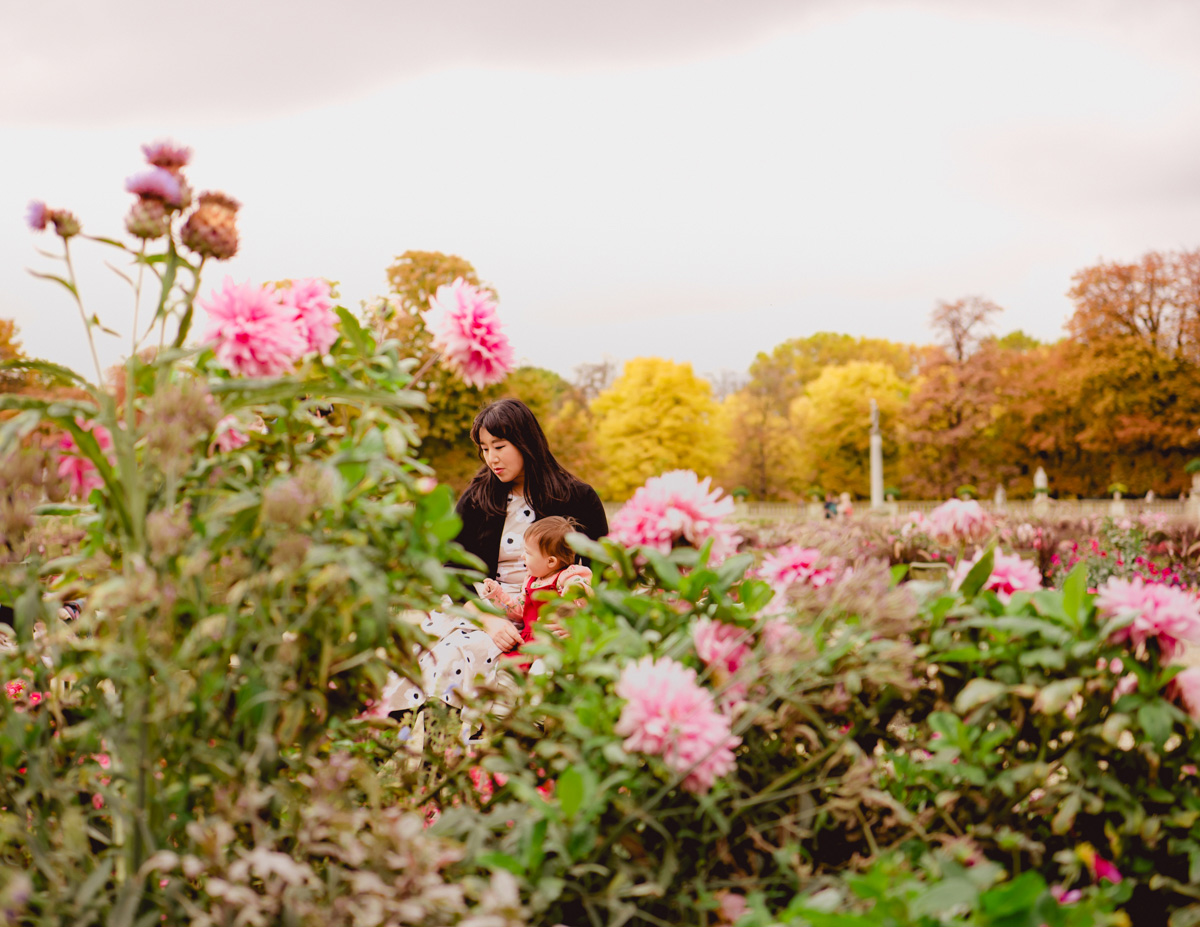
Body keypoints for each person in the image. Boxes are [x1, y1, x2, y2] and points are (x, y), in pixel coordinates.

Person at [373, 398, 607, 715]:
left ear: (526, 442)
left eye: (499, 446)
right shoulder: (478, 496)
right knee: (441, 657)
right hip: (484, 607)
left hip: (546, 614)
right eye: (484, 448)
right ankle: (435, 754)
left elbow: (604, 574)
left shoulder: (577, 497)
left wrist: (578, 617)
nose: (491, 458)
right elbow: (453, 572)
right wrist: (489, 619)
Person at [481, 516, 592, 670]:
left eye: (528, 552)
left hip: (555, 638)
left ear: (551, 561)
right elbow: (519, 611)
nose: (522, 556)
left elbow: (582, 588)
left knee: (543, 667)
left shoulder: (565, 576)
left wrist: (576, 590)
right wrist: (497, 594)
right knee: (504, 664)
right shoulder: (531, 581)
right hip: (531, 640)